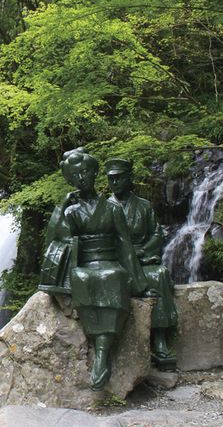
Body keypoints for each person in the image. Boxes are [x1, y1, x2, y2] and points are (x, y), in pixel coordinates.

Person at [39, 147, 148, 390]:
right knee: (82, 278)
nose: (82, 178)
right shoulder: (72, 210)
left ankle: (102, 353)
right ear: (69, 179)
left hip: (109, 261)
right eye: (75, 174)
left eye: (86, 172)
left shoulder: (112, 208)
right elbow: (54, 241)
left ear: (94, 173)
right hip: (84, 262)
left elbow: (125, 246)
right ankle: (99, 348)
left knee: (114, 277)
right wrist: (60, 208)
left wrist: (139, 282)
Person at [106, 158, 178, 368]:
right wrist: (126, 254)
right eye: (111, 179)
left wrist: (143, 251)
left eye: (119, 178)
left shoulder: (144, 206)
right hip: (117, 260)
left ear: (129, 179)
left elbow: (157, 233)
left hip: (142, 258)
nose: (114, 183)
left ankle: (160, 341)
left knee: (159, 275)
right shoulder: (104, 207)